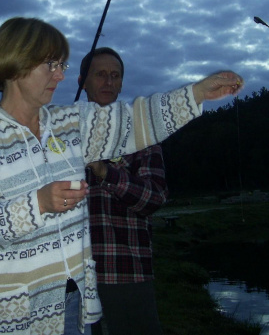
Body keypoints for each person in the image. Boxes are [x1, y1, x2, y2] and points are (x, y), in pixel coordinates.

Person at [0, 17, 243, 335]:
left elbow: (136, 119)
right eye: (51, 64)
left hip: (71, 306)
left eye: (62, 65)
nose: (60, 75)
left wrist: (196, 94)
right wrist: (38, 203)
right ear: (17, 64)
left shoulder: (68, 124)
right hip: (13, 315)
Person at [79, 47, 166, 335]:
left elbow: (154, 198)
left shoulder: (143, 134)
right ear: (83, 81)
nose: (108, 81)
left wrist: (105, 172)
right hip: (71, 279)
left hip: (126, 273)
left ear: (121, 84)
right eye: (100, 74)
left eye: (115, 75)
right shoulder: (60, 134)